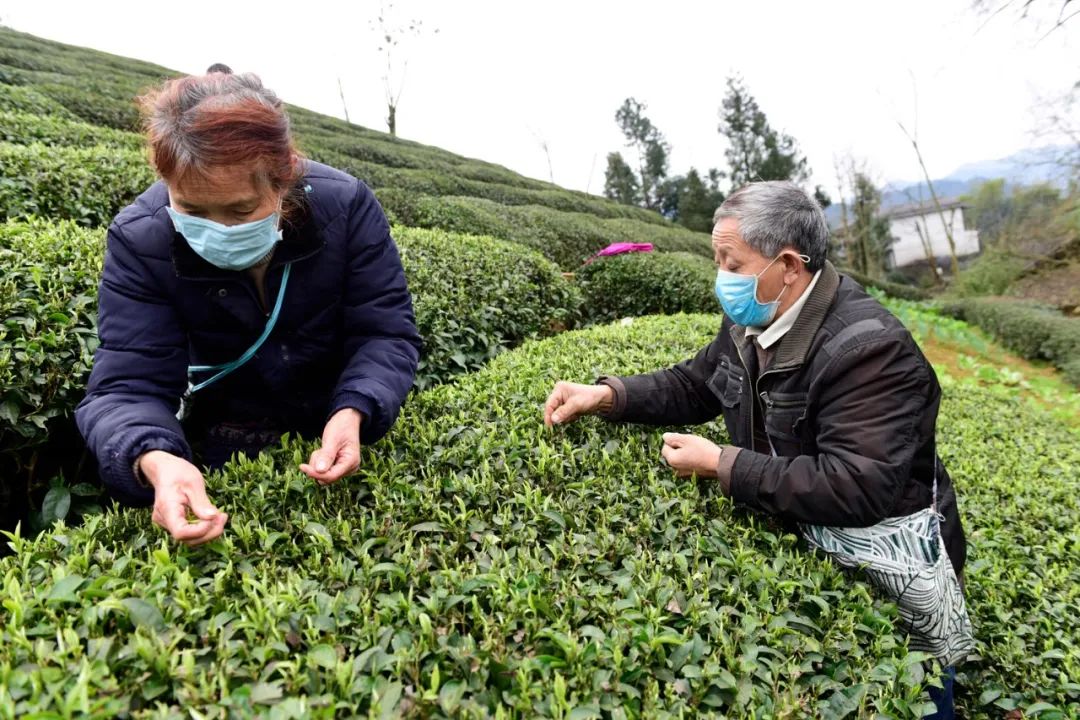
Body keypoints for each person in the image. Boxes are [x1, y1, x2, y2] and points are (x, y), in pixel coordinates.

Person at [543, 181, 965, 719]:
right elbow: (698, 383)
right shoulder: (755, 315)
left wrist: (721, 462)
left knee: (918, 696)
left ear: (788, 265)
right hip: (810, 540)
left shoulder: (870, 350)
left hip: (890, 564)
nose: (722, 277)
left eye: (730, 261)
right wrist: (607, 395)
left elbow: (855, 486)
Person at [75, 66, 421, 547]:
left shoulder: (345, 206)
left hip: (337, 420)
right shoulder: (141, 238)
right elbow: (127, 384)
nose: (219, 228)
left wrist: (356, 408)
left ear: (283, 180)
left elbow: (384, 332)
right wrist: (157, 458)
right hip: (227, 436)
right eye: (193, 211)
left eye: (240, 210)